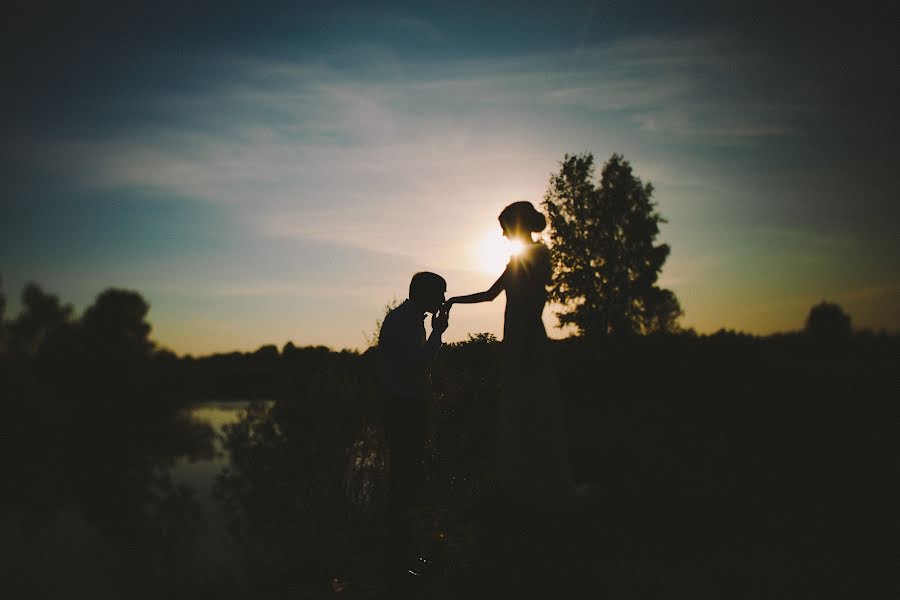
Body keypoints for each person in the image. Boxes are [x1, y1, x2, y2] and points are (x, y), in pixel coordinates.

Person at [444, 201, 572, 508]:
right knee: (518, 408)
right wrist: (453, 301)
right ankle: (520, 483)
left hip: (526, 337)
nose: (502, 235)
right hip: (515, 337)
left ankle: (537, 487)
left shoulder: (538, 255)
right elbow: (490, 294)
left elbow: (536, 300)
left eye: (504, 227)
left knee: (532, 407)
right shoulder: (518, 258)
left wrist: (526, 342)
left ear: (516, 225)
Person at [376, 271, 449, 582]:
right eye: (440, 294)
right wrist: (438, 333)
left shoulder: (408, 318)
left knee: (409, 473)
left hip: (406, 405)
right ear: (425, 294)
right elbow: (417, 364)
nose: (444, 300)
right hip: (402, 407)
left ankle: (401, 550)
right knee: (405, 475)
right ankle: (397, 559)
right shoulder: (406, 321)